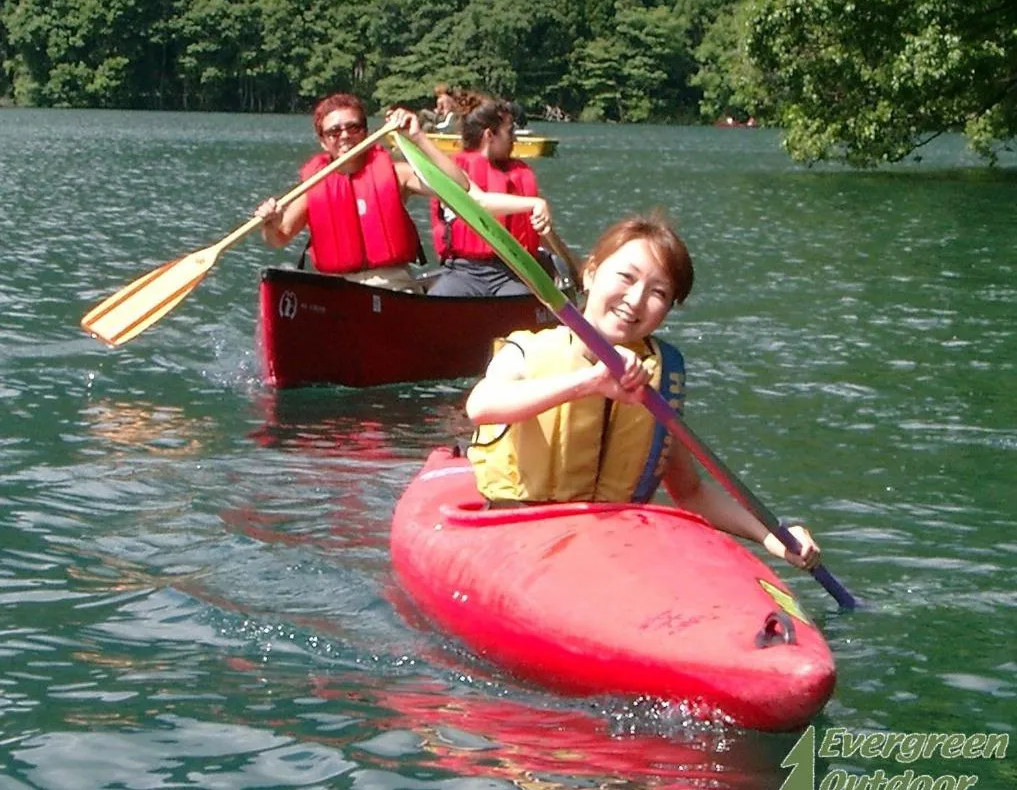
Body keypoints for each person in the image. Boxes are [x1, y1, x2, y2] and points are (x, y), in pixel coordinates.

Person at [464, 211, 822, 573]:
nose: (635, 300)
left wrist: (772, 537)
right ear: (590, 273)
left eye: (658, 292)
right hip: (520, 532)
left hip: (612, 544)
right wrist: (588, 383)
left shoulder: (656, 376)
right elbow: (481, 406)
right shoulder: (527, 349)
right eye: (626, 277)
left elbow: (691, 492)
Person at [256, 94, 468, 292]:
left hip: (392, 285)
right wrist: (269, 224)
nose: (345, 136)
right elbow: (279, 238)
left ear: (365, 132)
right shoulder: (313, 185)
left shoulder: (396, 173)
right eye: (334, 132)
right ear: (323, 141)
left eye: (353, 128)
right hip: (337, 289)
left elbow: (459, 186)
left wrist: (417, 136)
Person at [428, 95, 555, 298]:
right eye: (510, 131)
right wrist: (535, 202)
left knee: (520, 300)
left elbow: (541, 234)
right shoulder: (455, 172)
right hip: (463, 272)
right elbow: (479, 201)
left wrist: (571, 268)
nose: (515, 138)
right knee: (438, 298)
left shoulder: (518, 174)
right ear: (490, 135)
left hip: (513, 273)